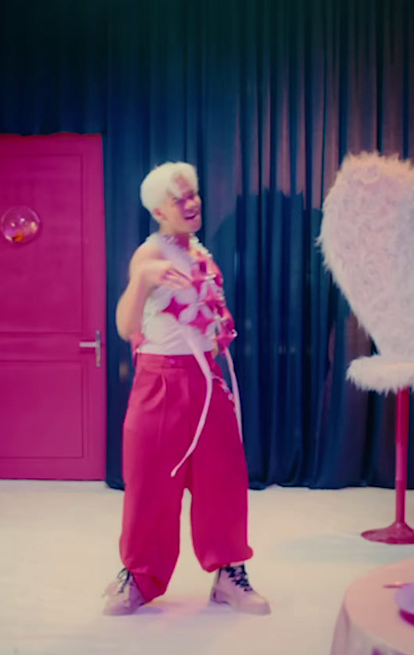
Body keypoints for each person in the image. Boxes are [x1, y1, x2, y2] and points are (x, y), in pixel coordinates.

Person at [103, 162, 269, 616]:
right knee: (150, 482)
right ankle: (139, 576)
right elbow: (124, 325)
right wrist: (141, 281)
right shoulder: (149, 254)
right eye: (181, 198)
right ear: (159, 209)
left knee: (224, 479)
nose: (192, 202)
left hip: (206, 379)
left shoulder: (199, 252)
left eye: (193, 193)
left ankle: (229, 573)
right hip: (160, 379)